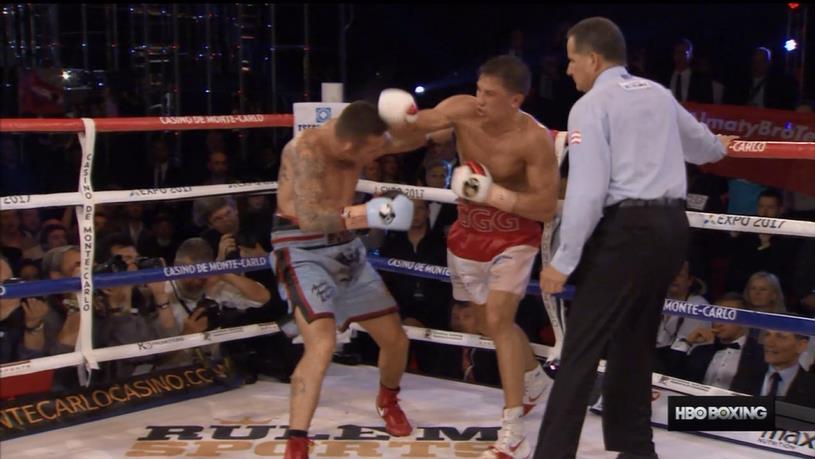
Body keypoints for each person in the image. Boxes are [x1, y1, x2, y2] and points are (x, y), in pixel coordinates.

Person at [535, 17, 736, 459]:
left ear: (593, 59)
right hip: (671, 230)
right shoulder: (658, 93)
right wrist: (716, 144)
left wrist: (563, 260)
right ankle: (637, 450)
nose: (568, 70)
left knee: (581, 348)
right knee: (633, 339)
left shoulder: (590, 106)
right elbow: (707, 148)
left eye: (572, 60)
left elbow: (587, 190)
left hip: (628, 229)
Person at [377, 54, 560, 459]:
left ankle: (513, 432)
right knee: (488, 323)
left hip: (514, 237)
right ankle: (534, 379)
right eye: (479, 89)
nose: (480, 99)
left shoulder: (533, 140)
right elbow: (421, 127)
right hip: (468, 233)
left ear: (515, 100)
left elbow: (546, 207)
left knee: (499, 320)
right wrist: (402, 116)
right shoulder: (463, 109)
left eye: (490, 94)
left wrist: (493, 194)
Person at [271, 100, 428, 459]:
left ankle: (388, 401)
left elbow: (414, 137)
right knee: (322, 344)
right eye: (371, 152)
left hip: (346, 248)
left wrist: (454, 120)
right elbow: (310, 217)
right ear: (348, 146)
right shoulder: (305, 152)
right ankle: (297, 441)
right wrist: (371, 213)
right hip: (301, 247)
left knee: (396, 340)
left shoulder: (362, 137)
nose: (377, 158)